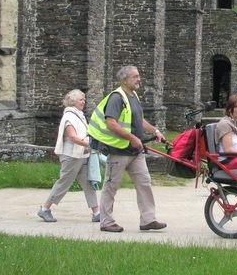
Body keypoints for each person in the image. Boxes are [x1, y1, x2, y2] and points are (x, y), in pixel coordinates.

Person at [88, 65, 167, 233]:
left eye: (138, 76)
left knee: (144, 183)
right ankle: (106, 222)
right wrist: (132, 138)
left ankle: (148, 219)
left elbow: (140, 121)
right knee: (111, 186)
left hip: (135, 152)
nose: (139, 79)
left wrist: (155, 131)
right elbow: (111, 123)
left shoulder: (133, 96)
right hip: (119, 151)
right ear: (125, 80)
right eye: (135, 77)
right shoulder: (117, 98)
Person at [37, 89, 100, 223]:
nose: (84, 101)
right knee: (64, 182)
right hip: (71, 156)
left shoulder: (79, 115)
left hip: (82, 155)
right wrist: (90, 145)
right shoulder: (69, 116)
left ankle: (97, 212)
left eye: (84, 99)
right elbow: (73, 136)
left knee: (88, 183)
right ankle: (45, 209)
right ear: (73, 101)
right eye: (81, 99)